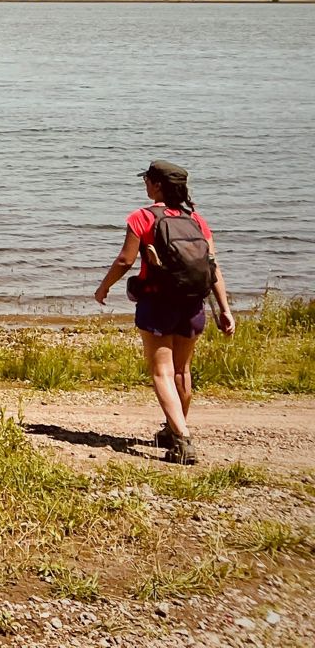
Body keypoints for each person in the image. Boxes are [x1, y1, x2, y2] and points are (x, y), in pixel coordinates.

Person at [94, 160, 236, 465]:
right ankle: (174, 430)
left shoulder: (142, 217)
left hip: (158, 304)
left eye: (147, 179)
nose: (145, 183)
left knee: (162, 372)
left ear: (157, 185)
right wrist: (225, 309)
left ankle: (183, 439)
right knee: (182, 371)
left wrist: (103, 288)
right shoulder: (196, 219)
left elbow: (124, 260)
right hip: (193, 304)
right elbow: (213, 266)